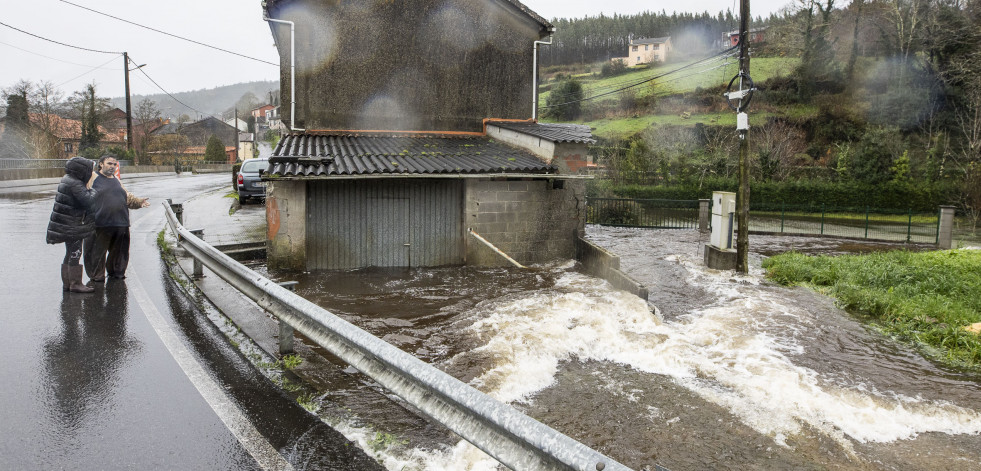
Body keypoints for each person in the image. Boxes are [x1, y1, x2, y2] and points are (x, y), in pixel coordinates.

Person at [84, 154, 150, 282]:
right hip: (100, 224)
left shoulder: (116, 179)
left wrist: (139, 202)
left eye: (115, 164)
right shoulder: (93, 177)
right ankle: (97, 278)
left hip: (121, 223)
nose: (112, 166)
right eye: (109, 163)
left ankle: (116, 273)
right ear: (101, 164)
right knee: (97, 254)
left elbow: (127, 197)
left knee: (119, 253)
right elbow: (82, 196)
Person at [46, 157, 99, 293]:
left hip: (66, 223)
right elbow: (89, 202)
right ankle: (75, 283)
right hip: (73, 224)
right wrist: (93, 189)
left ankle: (67, 283)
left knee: (69, 252)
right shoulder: (75, 183)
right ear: (82, 170)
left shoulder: (67, 179)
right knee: (76, 252)